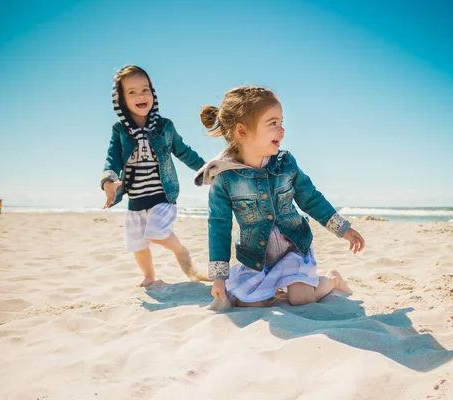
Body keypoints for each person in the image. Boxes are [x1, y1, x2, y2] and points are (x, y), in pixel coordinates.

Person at [195, 86, 365, 307]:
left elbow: (311, 198)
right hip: (256, 256)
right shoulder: (224, 179)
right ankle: (270, 287)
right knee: (247, 303)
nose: (282, 129)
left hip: (293, 248)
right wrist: (219, 278)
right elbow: (219, 226)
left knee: (301, 299)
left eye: (281, 122)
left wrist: (342, 228)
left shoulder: (285, 163)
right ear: (242, 131)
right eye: (273, 123)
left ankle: (332, 280)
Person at [101, 65, 207, 286]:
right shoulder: (119, 130)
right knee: (137, 244)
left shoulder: (164, 126)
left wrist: (207, 170)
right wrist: (108, 181)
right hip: (135, 199)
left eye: (145, 89)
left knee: (156, 233)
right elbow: (112, 158)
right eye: (132, 92)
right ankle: (149, 276)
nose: (141, 95)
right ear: (121, 100)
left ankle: (181, 250)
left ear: (153, 93)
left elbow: (184, 152)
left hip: (162, 195)